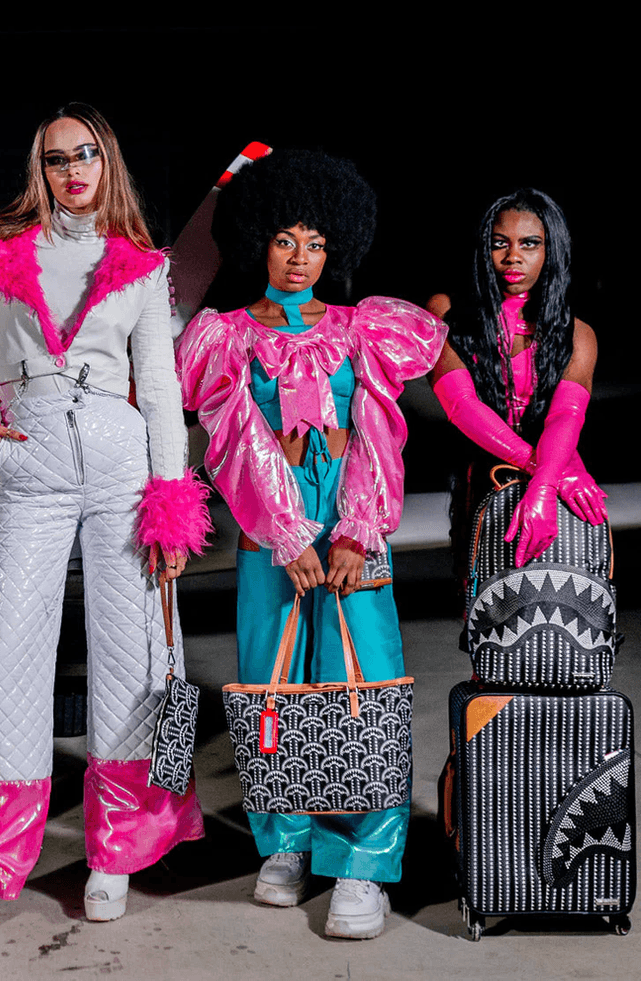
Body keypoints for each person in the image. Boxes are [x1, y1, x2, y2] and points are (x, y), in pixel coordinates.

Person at [0, 103, 209, 933]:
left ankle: (117, 852)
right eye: (57, 158)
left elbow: (160, 390)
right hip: (31, 463)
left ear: (106, 161)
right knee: (4, 656)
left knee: (134, 656)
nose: (73, 170)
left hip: (122, 467)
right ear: (39, 170)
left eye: (86, 154)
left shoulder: (141, 265)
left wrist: (170, 503)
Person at [176, 149, 446, 940]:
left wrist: (358, 529)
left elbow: (380, 432)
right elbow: (231, 439)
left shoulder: (362, 329)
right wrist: (285, 533)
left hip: (354, 526)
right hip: (271, 530)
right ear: (258, 240)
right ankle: (287, 841)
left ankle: (364, 860)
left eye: (317, 242)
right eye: (286, 239)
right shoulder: (224, 336)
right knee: (272, 684)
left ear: (337, 248)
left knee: (366, 681)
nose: (301, 256)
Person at [426, 188, 607, 575]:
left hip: (557, 468)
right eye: (499, 243)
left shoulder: (578, 334)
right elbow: (461, 405)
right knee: (487, 596)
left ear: (550, 249)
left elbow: (566, 415)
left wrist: (545, 481)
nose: (513, 257)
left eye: (529, 243)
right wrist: (550, 474)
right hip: (490, 476)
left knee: (566, 590)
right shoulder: (446, 311)